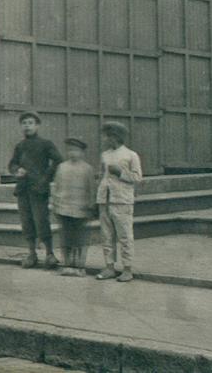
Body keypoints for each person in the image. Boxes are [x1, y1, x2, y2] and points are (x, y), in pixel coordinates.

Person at [8, 110, 62, 269]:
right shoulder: (20, 146)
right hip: (23, 189)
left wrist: (45, 178)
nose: (27, 126)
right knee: (26, 222)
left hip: (39, 189)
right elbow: (12, 164)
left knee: (41, 220)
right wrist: (17, 170)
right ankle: (31, 254)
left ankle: (50, 254)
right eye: (24, 123)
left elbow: (58, 161)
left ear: (37, 125)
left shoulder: (46, 144)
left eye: (30, 123)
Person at [95, 120, 142, 282]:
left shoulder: (131, 155)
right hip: (105, 200)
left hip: (122, 201)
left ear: (114, 136)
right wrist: (98, 195)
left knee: (124, 236)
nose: (104, 140)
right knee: (106, 235)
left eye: (106, 136)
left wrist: (120, 172)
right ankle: (109, 267)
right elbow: (101, 176)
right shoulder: (105, 155)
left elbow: (137, 177)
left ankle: (127, 269)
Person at [51, 137, 97, 277]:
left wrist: (91, 205)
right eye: (70, 150)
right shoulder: (62, 167)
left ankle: (80, 265)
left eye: (76, 150)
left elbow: (91, 189)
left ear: (82, 152)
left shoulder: (87, 169)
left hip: (81, 209)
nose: (73, 153)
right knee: (66, 237)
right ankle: (67, 264)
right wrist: (56, 204)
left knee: (80, 238)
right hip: (64, 208)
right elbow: (57, 187)